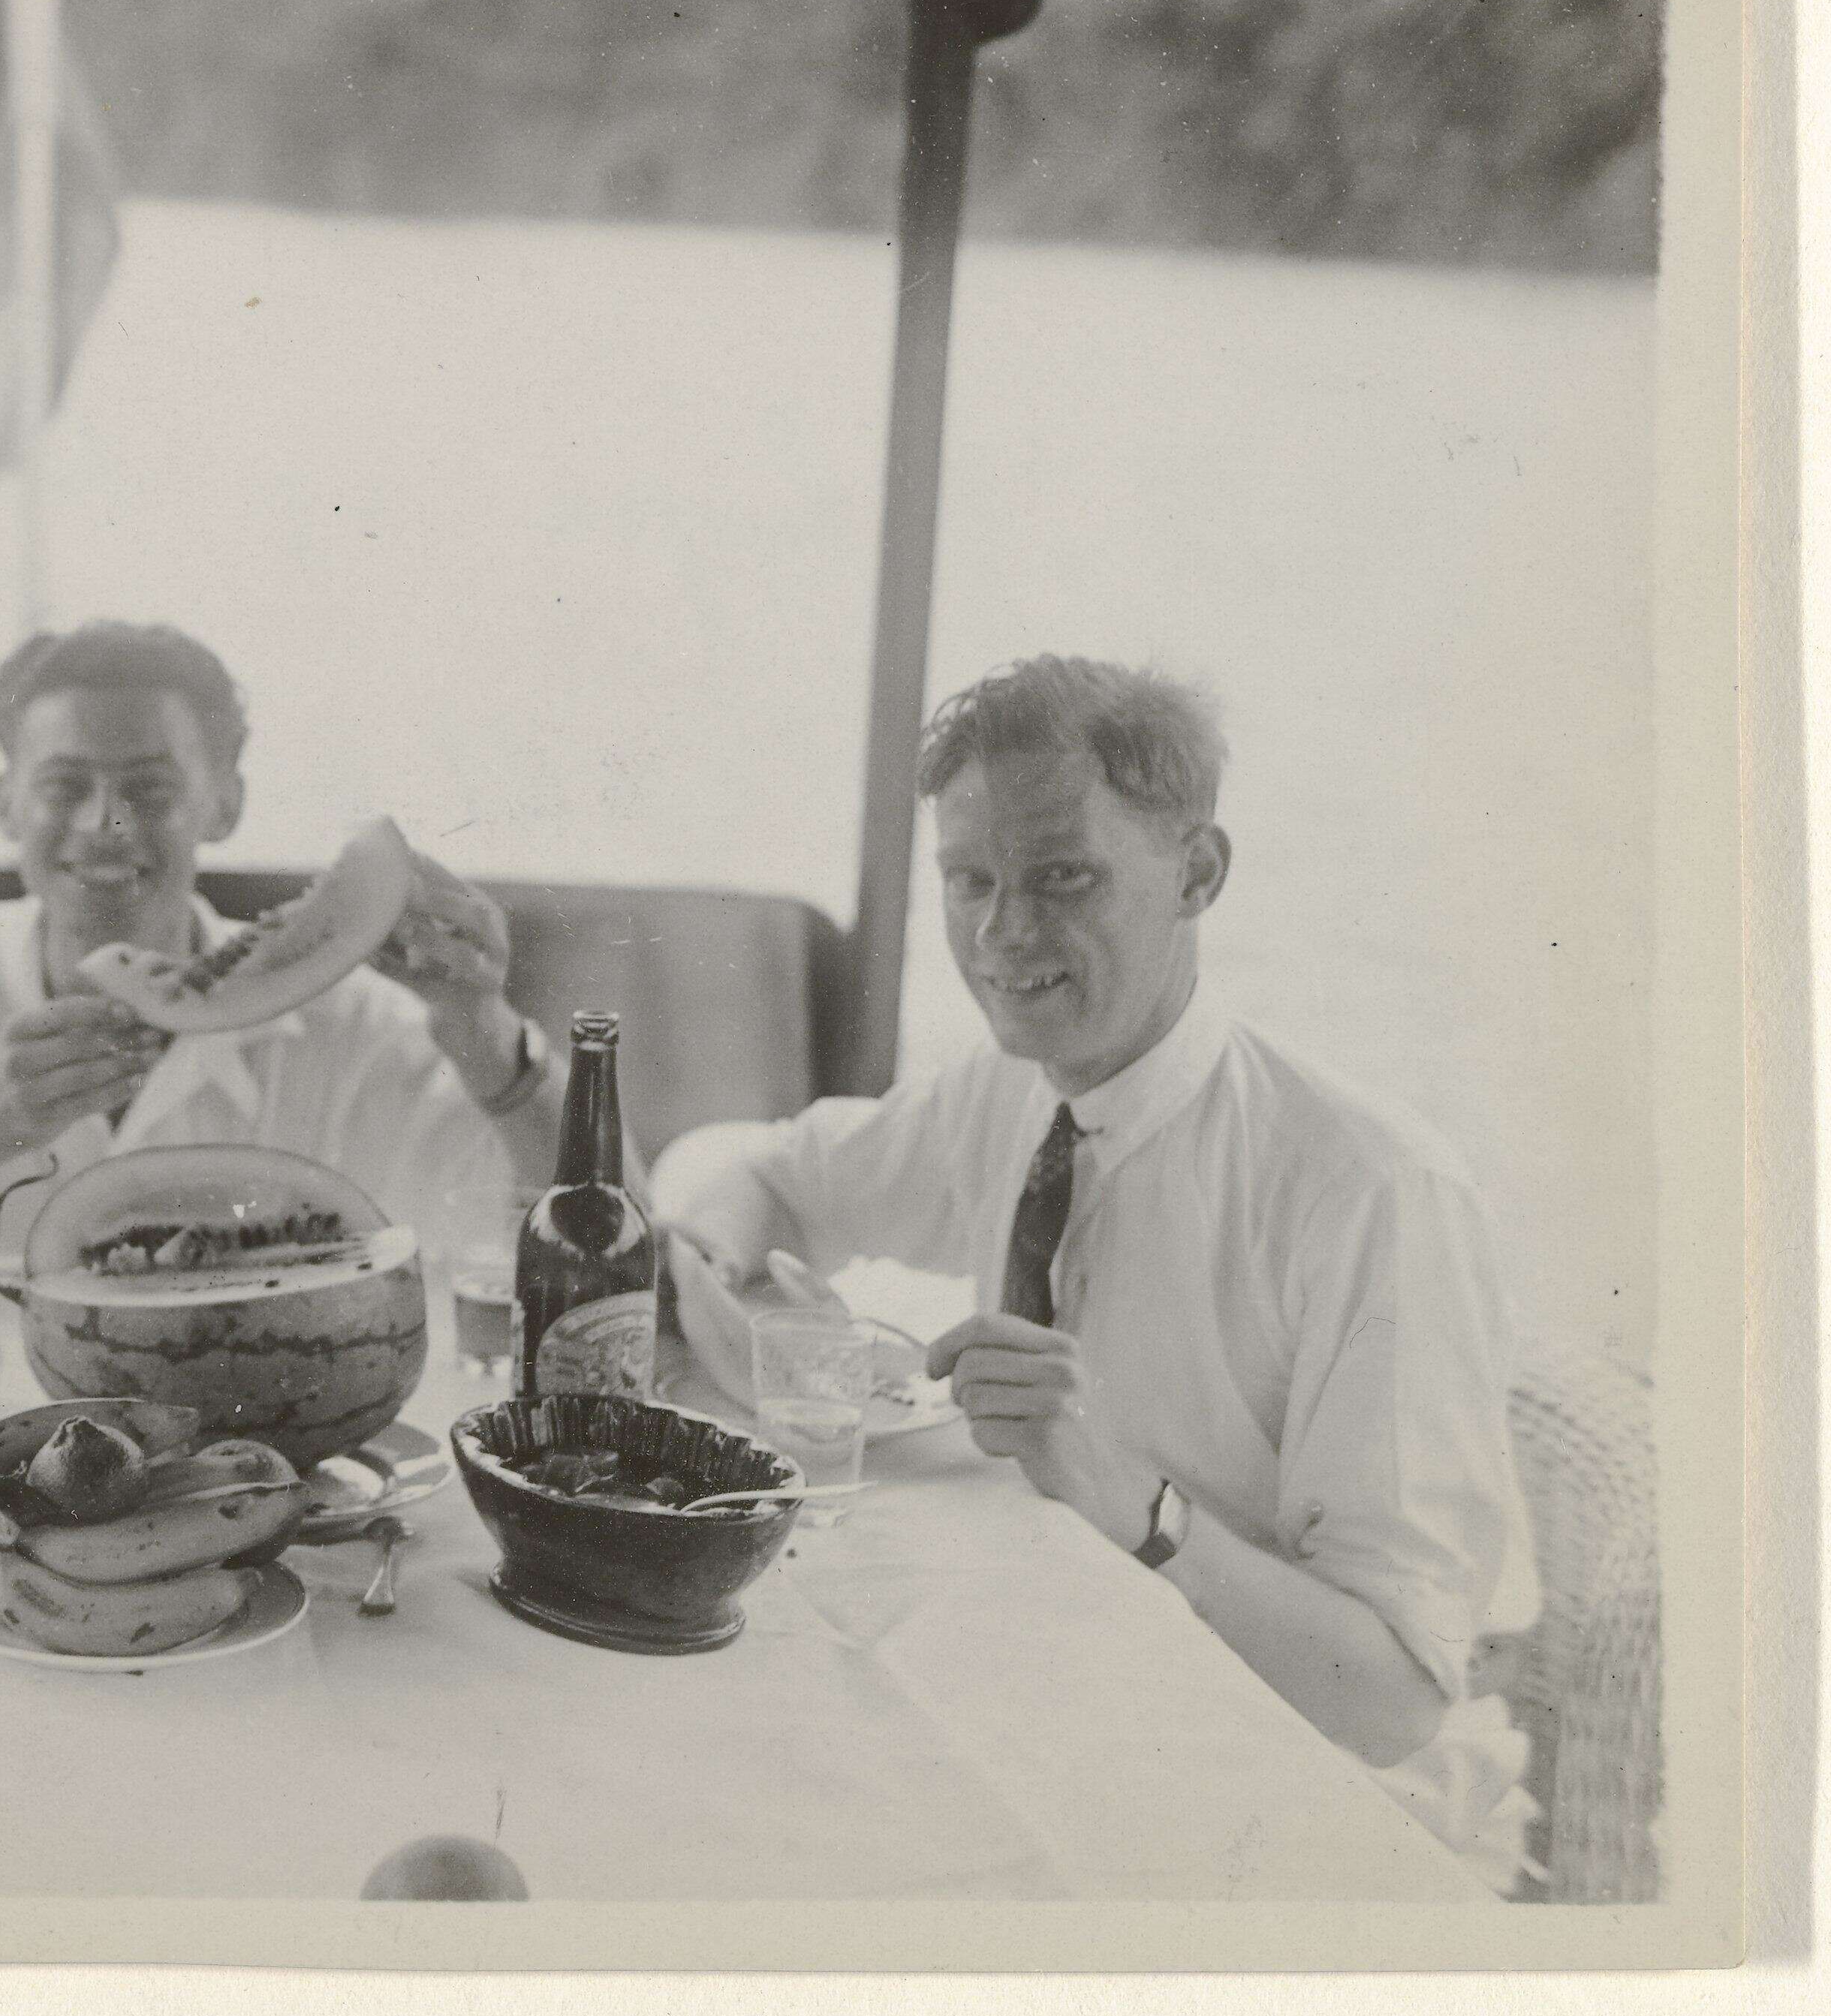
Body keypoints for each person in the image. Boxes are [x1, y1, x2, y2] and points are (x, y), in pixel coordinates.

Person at [655, 656, 1537, 1891]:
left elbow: (1392, 1702)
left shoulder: (1370, 1194)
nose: (1002, 934)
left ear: (1197, 872)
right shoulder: (1008, 1088)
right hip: (1076, 1716)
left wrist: (1134, 1500)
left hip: (1320, 1807)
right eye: (970, 880)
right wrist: (710, 1266)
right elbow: (761, 1168)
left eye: (1062, 877)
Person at [0, 621, 566, 1274]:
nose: (106, 826)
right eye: (65, 786)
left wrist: (487, 1039)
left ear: (225, 804)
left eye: (151, 791)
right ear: (7, 805)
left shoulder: (346, 1018)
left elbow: (602, 1250)